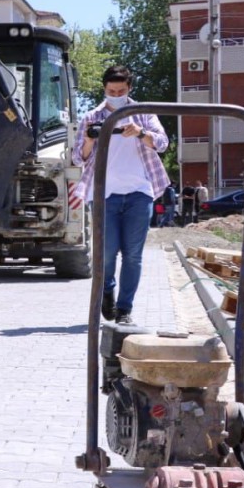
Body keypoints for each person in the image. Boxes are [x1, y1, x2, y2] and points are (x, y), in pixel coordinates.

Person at [74, 65, 170, 325]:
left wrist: (140, 133)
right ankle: (107, 291)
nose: (116, 94)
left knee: (133, 254)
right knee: (107, 253)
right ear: (104, 89)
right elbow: (77, 157)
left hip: (139, 193)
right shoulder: (92, 116)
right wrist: (91, 139)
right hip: (104, 194)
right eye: (111, 91)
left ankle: (125, 310)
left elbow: (163, 144)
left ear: (129, 89)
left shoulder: (142, 114)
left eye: (121, 90)